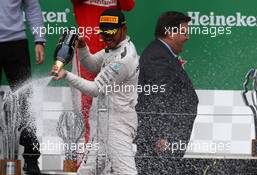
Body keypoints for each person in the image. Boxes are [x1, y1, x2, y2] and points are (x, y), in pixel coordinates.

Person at [52, 9, 139, 175]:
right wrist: (83, 47)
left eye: (111, 33)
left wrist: (66, 75)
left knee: (126, 172)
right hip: (105, 123)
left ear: (124, 29)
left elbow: (95, 89)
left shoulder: (123, 60)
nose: (107, 38)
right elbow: (91, 65)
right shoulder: (114, 48)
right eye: (104, 34)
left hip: (118, 126)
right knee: (86, 171)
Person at [134, 11, 199, 174]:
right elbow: (157, 97)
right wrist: (161, 135)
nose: (187, 37)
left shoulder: (163, 53)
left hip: (168, 138)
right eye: (184, 32)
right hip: (161, 141)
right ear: (170, 33)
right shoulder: (157, 56)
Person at [70, 0, 135, 143]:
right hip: (85, 51)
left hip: (112, 51)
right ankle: (80, 160)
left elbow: (129, 5)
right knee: (82, 110)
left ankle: (108, 156)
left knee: (114, 107)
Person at [0, 0, 45, 174]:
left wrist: (39, 39)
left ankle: (31, 158)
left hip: (15, 44)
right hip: (15, 45)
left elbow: (32, 7)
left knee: (26, 102)